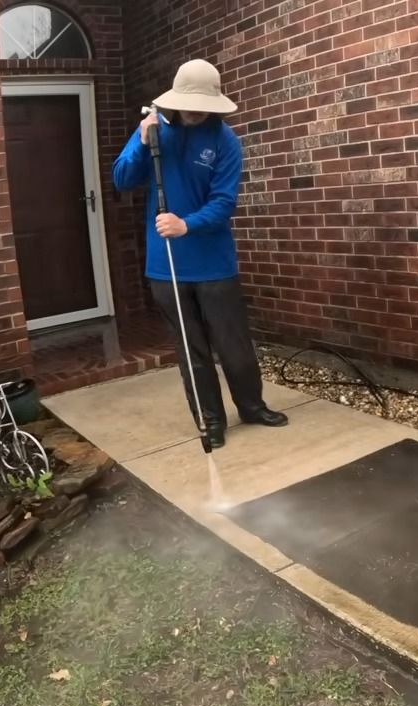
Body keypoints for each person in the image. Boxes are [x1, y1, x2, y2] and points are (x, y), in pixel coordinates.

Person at [112, 59, 287, 449]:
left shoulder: (225, 141)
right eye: (188, 103)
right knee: (192, 351)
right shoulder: (155, 131)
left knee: (233, 345)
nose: (194, 110)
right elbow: (122, 179)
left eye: (201, 104)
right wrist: (141, 141)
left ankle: (252, 406)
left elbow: (224, 202)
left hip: (214, 264)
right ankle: (211, 420)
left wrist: (186, 225)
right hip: (167, 267)